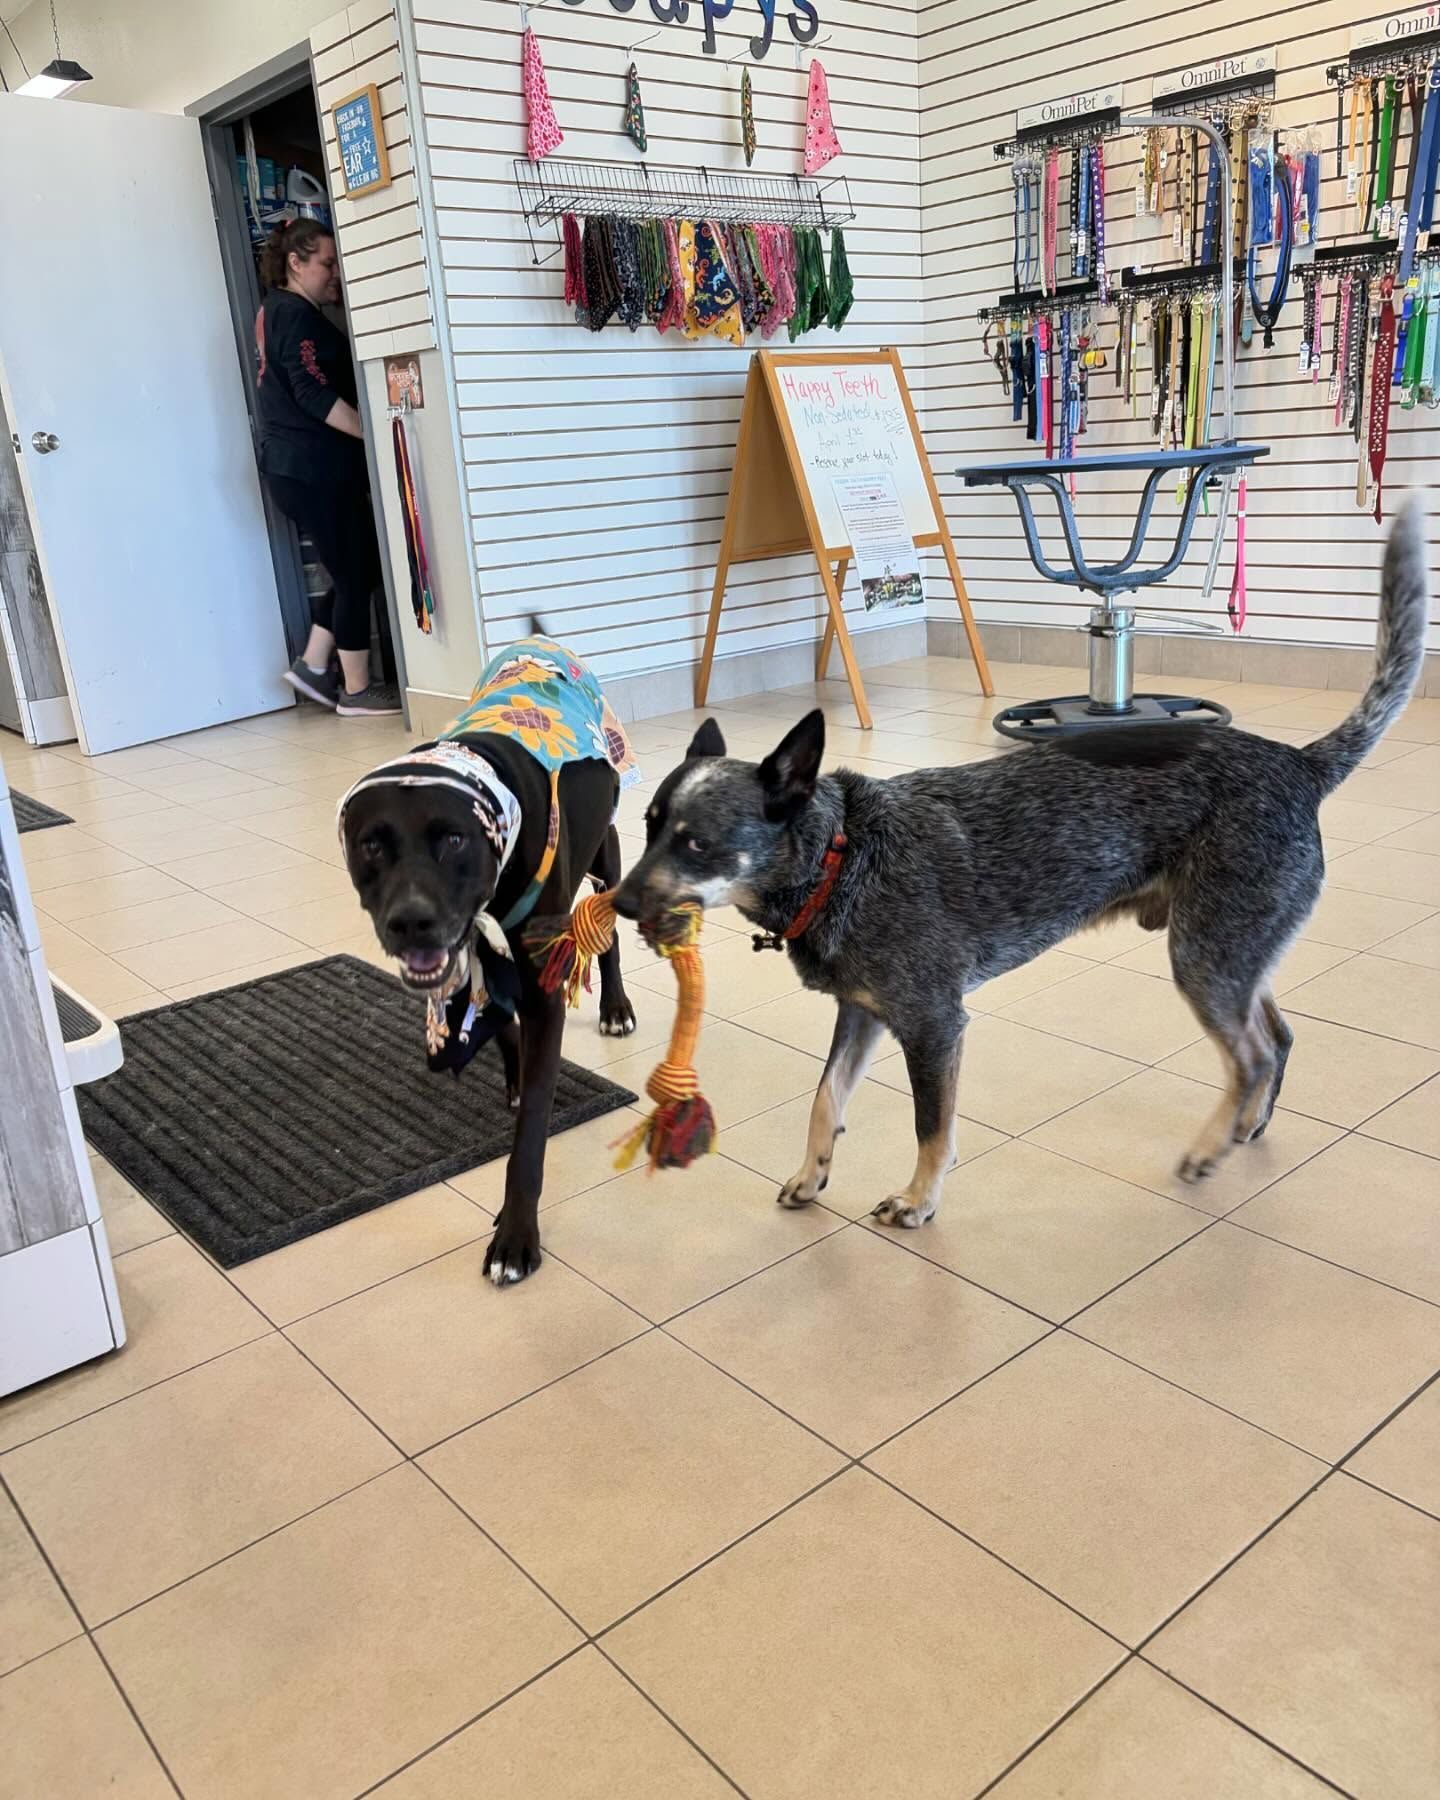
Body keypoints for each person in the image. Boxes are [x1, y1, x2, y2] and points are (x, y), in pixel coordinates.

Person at [255, 218, 399, 715]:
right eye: (327, 263)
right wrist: (373, 435)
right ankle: (356, 692)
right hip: (311, 469)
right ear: (295, 263)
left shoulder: (277, 310)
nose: (335, 272)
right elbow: (313, 393)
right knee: (356, 573)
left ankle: (314, 665)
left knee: (354, 565)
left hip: (298, 468)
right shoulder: (295, 315)